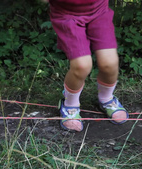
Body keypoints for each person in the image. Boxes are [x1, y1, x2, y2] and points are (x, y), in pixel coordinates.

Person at [43, 0, 129, 132]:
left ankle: (106, 99)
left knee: (109, 63)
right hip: (67, 16)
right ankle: (70, 105)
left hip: (99, 11)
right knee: (82, 65)